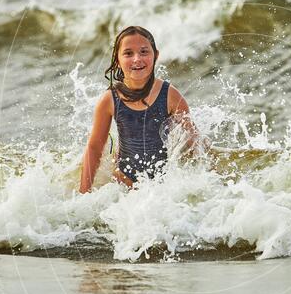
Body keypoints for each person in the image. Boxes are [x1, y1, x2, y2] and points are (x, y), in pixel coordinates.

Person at [79, 25, 201, 191]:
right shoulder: (110, 100)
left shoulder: (170, 96)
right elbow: (94, 147)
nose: (137, 59)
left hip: (162, 187)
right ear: (117, 59)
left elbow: (194, 144)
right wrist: (84, 191)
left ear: (155, 55)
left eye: (144, 52)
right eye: (128, 53)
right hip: (122, 184)